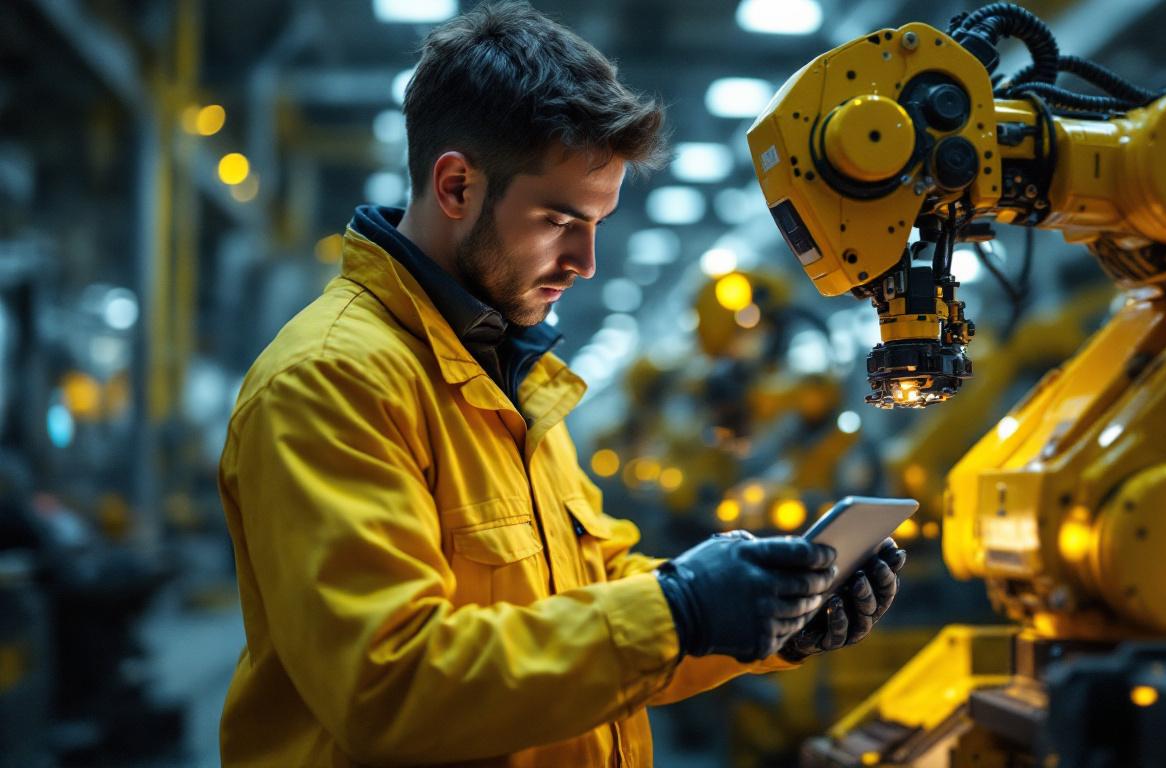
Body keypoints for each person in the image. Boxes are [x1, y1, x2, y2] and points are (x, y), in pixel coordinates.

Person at [217, 3, 905, 765]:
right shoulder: (333, 382)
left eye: (598, 222)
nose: (587, 261)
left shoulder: (511, 373)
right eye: (558, 219)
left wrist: (766, 613)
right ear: (455, 187)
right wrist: (679, 609)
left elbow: (590, 599)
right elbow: (390, 685)